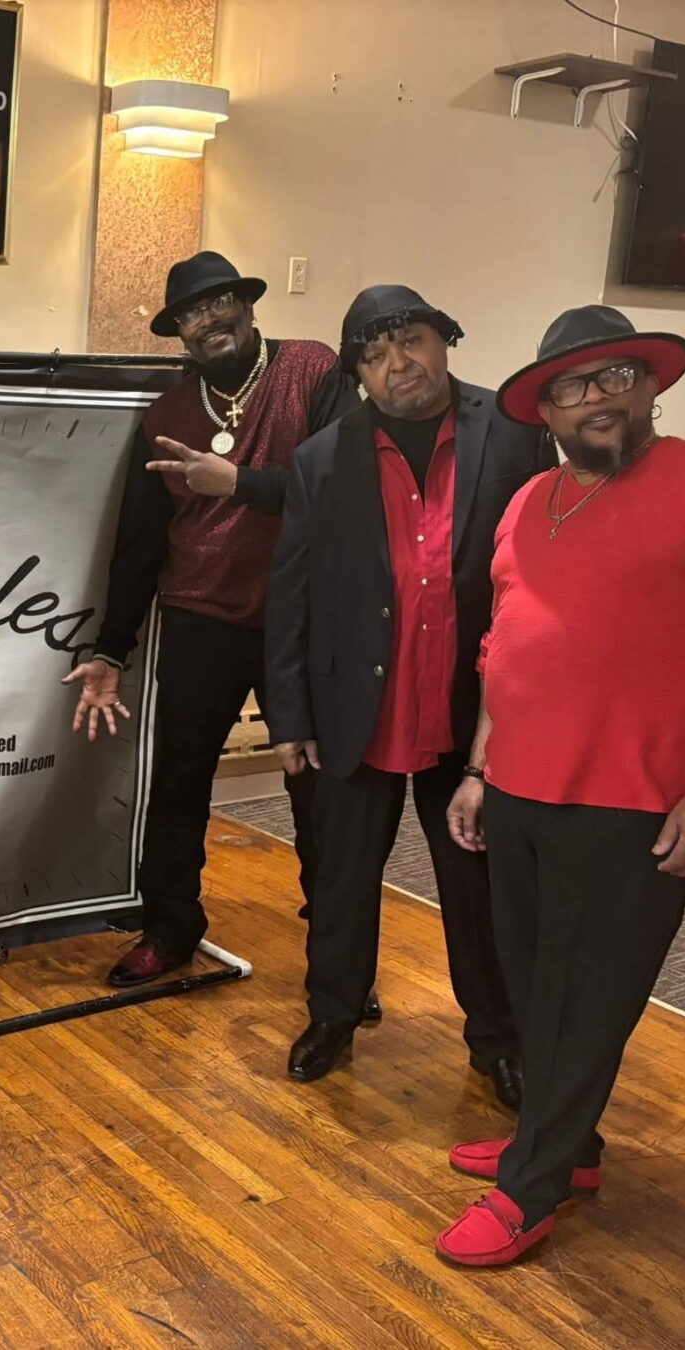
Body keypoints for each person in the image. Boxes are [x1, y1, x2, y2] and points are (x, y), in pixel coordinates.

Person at [437, 306, 685, 1267]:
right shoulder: (530, 501)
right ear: (546, 410)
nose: (594, 397)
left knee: (585, 997)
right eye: (571, 385)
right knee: (531, 984)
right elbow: (502, 648)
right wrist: (478, 768)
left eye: (615, 376)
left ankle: (533, 1187)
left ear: (650, 385)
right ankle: (568, 1144)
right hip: (519, 787)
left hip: (634, 799)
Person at [265, 286, 550, 1099]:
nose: (399, 364)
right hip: (355, 713)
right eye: (375, 355)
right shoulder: (321, 459)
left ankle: (497, 1037)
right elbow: (290, 594)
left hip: (470, 716)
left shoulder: (516, 434)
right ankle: (333, 1013)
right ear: (357, 372)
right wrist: (288, 712)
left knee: (477, 887)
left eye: (412, 342)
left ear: (443, 341)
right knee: (341, 879)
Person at [65, 251, 358, 987]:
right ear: (180, 332)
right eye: (193, 313)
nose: (209, 319)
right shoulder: (166, 413)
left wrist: (239, 483)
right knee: (178, 782)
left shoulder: (312, 369)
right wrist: (112, 648)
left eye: (220, 301)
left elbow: (349, 487)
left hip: (304, 620)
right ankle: (170, 927)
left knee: (319, 792)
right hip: (200, 616)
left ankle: (339, 957)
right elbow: (140, 542)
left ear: (248, 306)